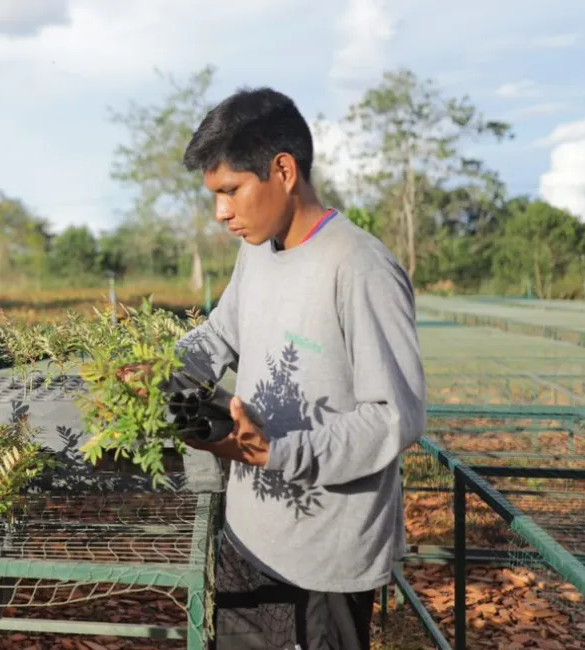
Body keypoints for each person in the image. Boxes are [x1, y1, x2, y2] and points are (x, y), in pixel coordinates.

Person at [171, 88, 426, 650]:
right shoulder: (257, 251)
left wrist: (277, 452)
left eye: (231, 190)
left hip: (322, 560)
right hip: (246, 535)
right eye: (215, 195)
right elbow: (221, 333)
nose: (221, 212)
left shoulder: (359, 266)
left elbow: (392, 418)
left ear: (283, 170)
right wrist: (163, 373)